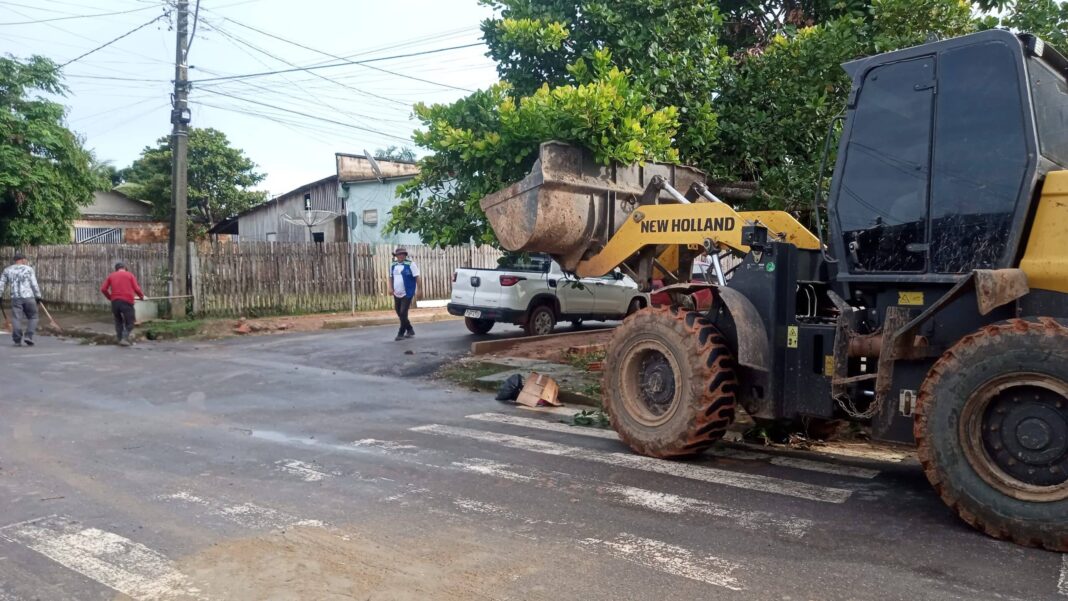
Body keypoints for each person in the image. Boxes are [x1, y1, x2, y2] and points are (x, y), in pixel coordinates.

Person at [0, 252, 42, 347]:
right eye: (25, 259)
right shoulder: (28, 269)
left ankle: (17, 339)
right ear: (22, 259)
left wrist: (0, 295)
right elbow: (34, 284)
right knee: (33, 317)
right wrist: (38, 296)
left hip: (16, 298)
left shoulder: (7, 270)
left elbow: (1, 283)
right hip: (28, 297)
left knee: (16, 318)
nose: (26, 261)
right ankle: (28, 336)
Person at [100, 262, 145, 347]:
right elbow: (136, 288)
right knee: (130, 322)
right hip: (127, 301)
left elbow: (103, 289)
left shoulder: (111, 276)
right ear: (125, 267)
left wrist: (110, 297)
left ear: (116, 269)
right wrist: (141, 296)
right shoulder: (130, 275)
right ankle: (124, 339)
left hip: (115, 302)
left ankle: (120, 339)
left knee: (118, 321)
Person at [388, 247, 420, 341]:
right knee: (398, 311)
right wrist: (390, 288)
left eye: (403, 254)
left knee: (403, 312)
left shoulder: (410, 264)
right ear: (396, 256)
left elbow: (417, 277)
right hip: (396, 292)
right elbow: (390, 277)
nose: (401, 256)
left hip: (407, 292)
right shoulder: (393, 265)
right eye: (399, 254)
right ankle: (409, 329)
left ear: (405, 255)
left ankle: (401, 333)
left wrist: (419, 290)